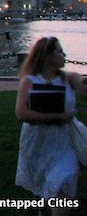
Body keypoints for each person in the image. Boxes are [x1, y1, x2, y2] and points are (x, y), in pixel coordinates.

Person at [15, 37, 87, 215]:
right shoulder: (29, 82)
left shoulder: (69, 79)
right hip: (37, 142)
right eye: (59, 52)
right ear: (47, 57)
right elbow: (21, 113)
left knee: (64, 179)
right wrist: (58, 116)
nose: (64, 55)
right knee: (43, 186)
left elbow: (83, 87)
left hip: (64, 142)